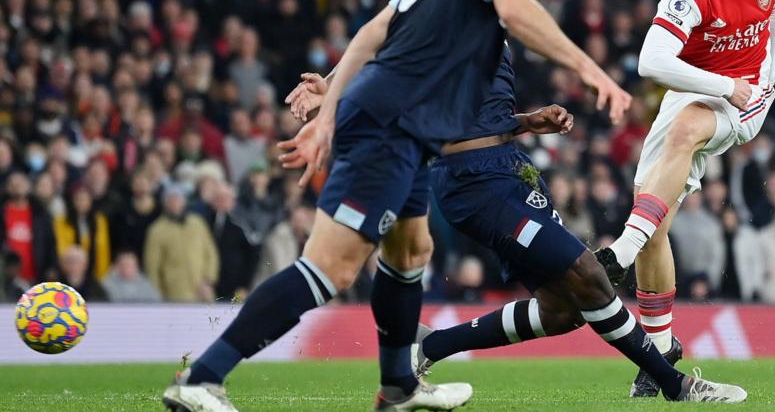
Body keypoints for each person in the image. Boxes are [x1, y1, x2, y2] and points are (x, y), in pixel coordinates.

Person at [163, 0, 629, 412]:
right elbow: (513, 10)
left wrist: (330, 96)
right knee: (330, 266)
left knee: (411, 250)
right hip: (388, 125)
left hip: (406, 129)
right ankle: (201, 379)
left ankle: (399, 387)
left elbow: (376, 29)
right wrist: (589, 68)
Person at [288, 51, 746, 403]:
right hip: (474, 181)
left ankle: (429, 346)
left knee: (561, 310)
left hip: (510, 166)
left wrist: (526, 122)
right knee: (588, 274)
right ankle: (672, 383)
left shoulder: (491, 23)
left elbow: (479, 108)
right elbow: (384, 47)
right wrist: (330, 88)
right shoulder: (447, 8)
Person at [595, 0, 775, 397]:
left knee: (683, 137)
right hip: (698, 89)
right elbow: (649, 63)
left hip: (745, 95)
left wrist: (768, 75)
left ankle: (622, 249)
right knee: (653, 220)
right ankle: (659, 357)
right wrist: (720, 85)